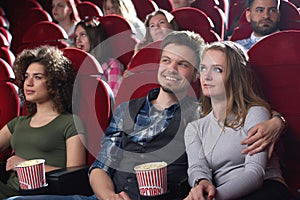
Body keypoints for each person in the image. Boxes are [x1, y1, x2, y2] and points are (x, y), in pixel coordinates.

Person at [6, 31, 286, 200]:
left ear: (197, 73)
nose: (171, 69)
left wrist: (277, 120)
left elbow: (237, 101)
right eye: (166, 60)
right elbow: (100, 167)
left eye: (183, 64)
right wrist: (109, 197)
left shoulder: (201, 112)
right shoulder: (127, 109)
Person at [184, 41, 293, 200]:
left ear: (234, 76)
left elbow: (255, 174)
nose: (206, 76)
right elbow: (197, 168)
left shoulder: (255, 113)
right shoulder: (195, 128)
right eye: (203, 68)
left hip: (266, 190)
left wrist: (213, 198)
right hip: (223, 193)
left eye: (217, 69)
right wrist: (202, 184)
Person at [0, 46, 86, 199]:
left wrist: (25, 165)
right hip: (7, 191)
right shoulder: (18, 123)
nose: (29, 83)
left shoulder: (70, 123)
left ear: (54, 83)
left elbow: (74, 174)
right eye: (26, 76)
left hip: (36, 195)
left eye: (38, 77)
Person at [73, 17, 124, 96]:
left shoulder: (112, 65)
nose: (78, 40)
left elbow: (114, 99)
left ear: (94, 37)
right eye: (76, 36)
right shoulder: (74, 64)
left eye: (82, 35)